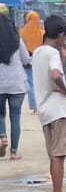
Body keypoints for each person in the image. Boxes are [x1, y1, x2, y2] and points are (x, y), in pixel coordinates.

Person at [32, 14, 66, 192]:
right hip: (58, 109)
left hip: (44, 109)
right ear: (60, 35)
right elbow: (55, 75)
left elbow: (53, 73)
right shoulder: (52, 53)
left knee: (54, 156)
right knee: (59, 156)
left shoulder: (39, 52)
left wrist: (64, 60)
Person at [0, 11, 30, 160]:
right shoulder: (17, 40)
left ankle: (2, 136)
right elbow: (25, 60)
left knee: (0, 114)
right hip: (17, 84)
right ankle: (13, 152)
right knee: (15, 118)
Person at [19, 9, 40, 111]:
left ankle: (34, 105)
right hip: (39, 60)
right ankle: (39, 104)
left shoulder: (22, 32)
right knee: (39, 82)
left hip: (27, 60)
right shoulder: (42, 32)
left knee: (31, 83)